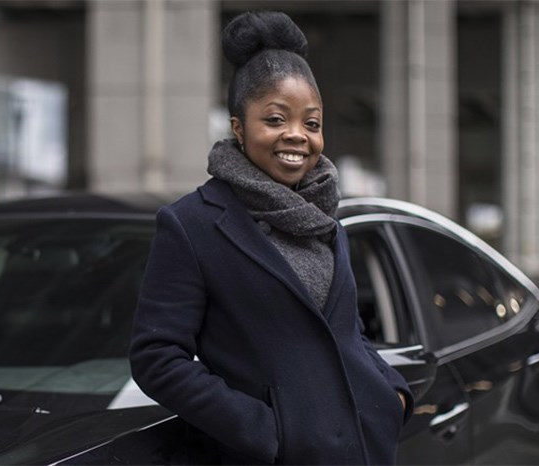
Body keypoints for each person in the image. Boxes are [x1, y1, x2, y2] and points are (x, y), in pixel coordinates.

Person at [130, 11, 413, 465]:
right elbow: (157, 357)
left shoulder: (323, 214)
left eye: (312, 123)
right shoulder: (192, 224)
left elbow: (345, 331)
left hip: (364, 447)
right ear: (239, 128)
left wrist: (390, 393)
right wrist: (266, 431)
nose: (297, 136)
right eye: (276, 119)